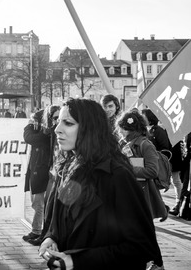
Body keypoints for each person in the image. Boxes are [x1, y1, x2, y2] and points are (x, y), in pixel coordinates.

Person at [38, 98, 162, 270]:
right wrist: (51, 239)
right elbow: (60, 220)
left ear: (90, 128)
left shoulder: (117, 175)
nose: (57, 129)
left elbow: (142, 246)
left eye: (68, 123)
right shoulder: (68, 168)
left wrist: (76, 261)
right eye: (58, 122)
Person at [116, 109, 166, 270]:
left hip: (141, 196)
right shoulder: (123, 143)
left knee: (143, 232)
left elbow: (153, 171)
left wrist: (126, 168)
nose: (120, 132)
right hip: (126, 194)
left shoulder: (146, 144)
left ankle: (156, 263)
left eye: (122, 128)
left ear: (131, 128)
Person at [142, 108, 183, 216]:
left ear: (149, 118)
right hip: (158, 161)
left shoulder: (158, 130)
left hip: (167, 160)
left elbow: (165, 147)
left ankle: (180, 203)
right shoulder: (149, 130)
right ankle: (162, 206)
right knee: (157, 184)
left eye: (143, 116)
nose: (142, 118)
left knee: (175, 181)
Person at [22, 109, 52, 245]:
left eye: (35, 120)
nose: (33, 123)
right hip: (37, 171)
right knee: (37, 203)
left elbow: (29, 138)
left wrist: (29, 125)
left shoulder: (44, 134)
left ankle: (38, 232)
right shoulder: (41, 132)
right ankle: (37, 231)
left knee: (39, 204)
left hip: (41, 172)